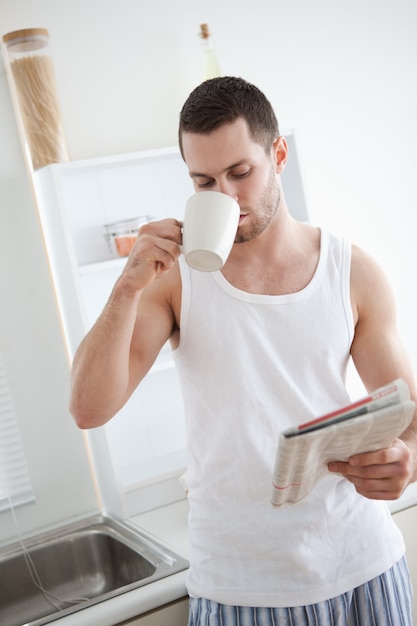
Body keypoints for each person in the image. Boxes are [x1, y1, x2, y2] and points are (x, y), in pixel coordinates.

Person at [70, 76, 417, 625]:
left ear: (277, 154)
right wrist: (126, 287)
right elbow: (89, 408)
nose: (226, 196)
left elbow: (412, 419)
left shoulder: (353, 272)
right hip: (242, 586)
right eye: (204, 181)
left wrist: (409, 461)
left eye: (241, 173)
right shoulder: (173, 281)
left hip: (365, 566)